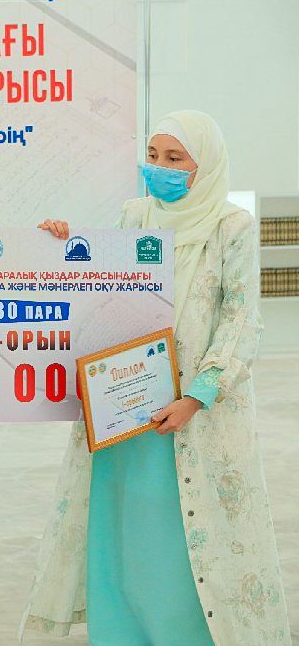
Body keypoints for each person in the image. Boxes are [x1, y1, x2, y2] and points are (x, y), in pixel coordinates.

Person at [20, 111, 292, 644]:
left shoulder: (231, 226)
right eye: (152, 156)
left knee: (188, 542)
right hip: (126, 410)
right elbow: (104, 287)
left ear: (204, 165)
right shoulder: (135, 214)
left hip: (194, 418)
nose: (158, 167)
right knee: (125, 535)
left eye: (174, 158)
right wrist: (61, 243)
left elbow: (241, 319)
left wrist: (198, 395)